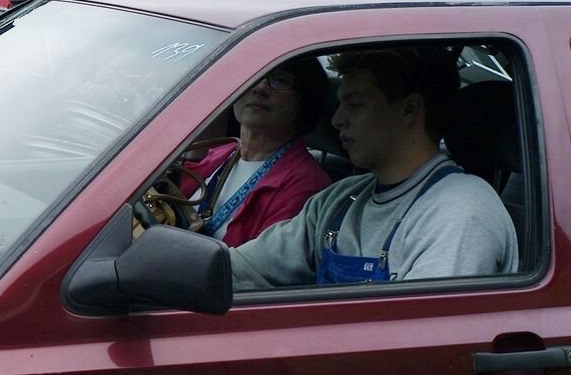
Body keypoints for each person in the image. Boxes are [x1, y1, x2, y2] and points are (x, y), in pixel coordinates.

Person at [229, 46, 517, 288]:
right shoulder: (337, 201)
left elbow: (423, 339)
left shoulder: (461, 214)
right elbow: (239, 269)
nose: (336, 120)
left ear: (410, 109)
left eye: (354, 105)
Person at [180, 57, 333, 247]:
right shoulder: (223, 153)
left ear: (305, 101)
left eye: (281, 80)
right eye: (254, 74)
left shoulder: (306, 185)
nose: (260, 87)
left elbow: (257, 270)